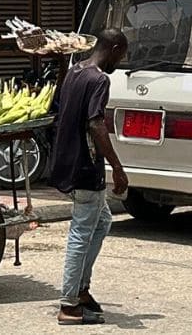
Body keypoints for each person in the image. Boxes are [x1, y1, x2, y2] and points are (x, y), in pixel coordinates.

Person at [49, 29, 130, 326]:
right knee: (80, 234)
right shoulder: (99, 79)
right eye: (122, 56)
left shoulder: (75, 72)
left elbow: (58, 103)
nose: (120, 62)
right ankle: (69, 304)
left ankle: (81, 289)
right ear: (115, 48)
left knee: (102, 220)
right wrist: (117, 168)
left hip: (68, 162)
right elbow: (96, 124)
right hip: (85, 166)